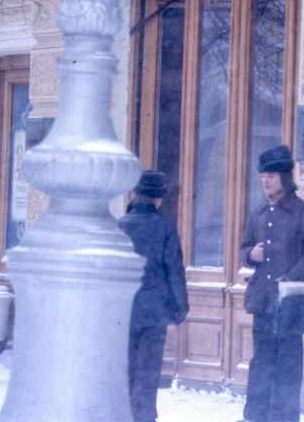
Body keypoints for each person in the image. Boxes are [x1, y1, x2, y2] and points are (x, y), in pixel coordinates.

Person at [240, 145, 304, 422]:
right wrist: (250, 255)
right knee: (261, 364)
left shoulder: (303, 212)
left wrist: (294, 274)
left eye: (272, 176)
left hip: (289, 302)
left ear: (286, 179)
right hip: (263, 300)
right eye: (262, 176)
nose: (265, 181)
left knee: (288, 366)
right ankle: (255, 417)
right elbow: (244, 247)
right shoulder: (258, 213)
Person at [119, 170, 189, 422]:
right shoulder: (165, 226)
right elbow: (174, 269)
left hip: (123, 313)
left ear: (135, 195)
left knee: (126, 370)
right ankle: (143, 417)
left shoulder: (121, 225)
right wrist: (181, 306)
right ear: (158, 199)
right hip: (154, 313)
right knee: (148, 374)